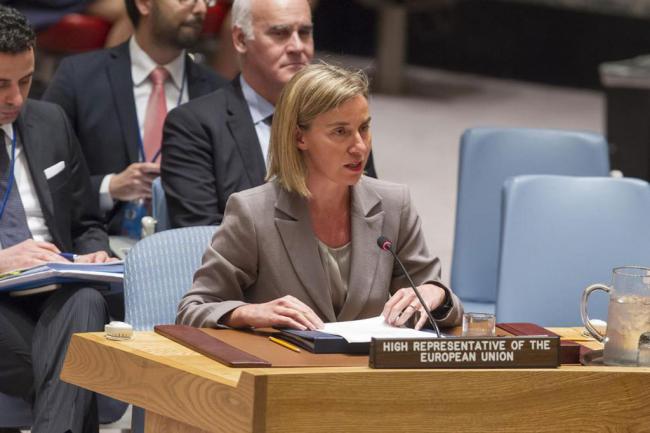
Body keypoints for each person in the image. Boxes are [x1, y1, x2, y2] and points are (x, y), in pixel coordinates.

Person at [177, 64, 462, 331]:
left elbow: (443, 301)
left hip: (368, 367)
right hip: (285, 365)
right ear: (299, 137)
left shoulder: (394, 204)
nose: (360, 147)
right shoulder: (252, 212)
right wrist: (248, 312)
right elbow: (193, 310)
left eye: (364, 128)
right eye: (340, 132)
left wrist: (436, 294)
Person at [162, 0, 377, 228]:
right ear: (240, 39)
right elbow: (199, 235)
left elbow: (370, 214)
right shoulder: (194, 125)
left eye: (304, 33)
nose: (297, 47)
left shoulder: (342, 115)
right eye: (280, 33)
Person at [0, 6, 114, 433]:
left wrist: (95, 254)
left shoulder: (50, 121)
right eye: (0, 84)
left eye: (26, 81)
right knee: (77, 364)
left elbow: (86, 222)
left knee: (87, 300)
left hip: (57, 290)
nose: (16, 98)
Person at [42, 0, 227, 236]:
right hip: (100, 242)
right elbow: (41, 172)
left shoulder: (219, 92)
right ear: (144, 4)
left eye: (205, 0)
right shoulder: (78, 77)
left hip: (189, 243)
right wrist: (109, 187)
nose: (201, 8)